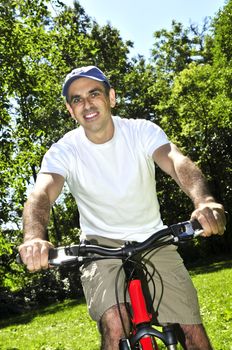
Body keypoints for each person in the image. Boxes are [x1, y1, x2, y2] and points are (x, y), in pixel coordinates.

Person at [19, 65, 226, 350]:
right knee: (115, 324)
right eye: (77, 99)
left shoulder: (140, 131)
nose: (87, 104)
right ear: (70, 110)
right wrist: (33, 237)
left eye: (94, 94)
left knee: (191, 330)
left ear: (112, 97)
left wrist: (204, 201)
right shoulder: (64, 150)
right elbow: (41, 194)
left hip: (154, 238)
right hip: (98, 246)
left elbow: (177, 162)